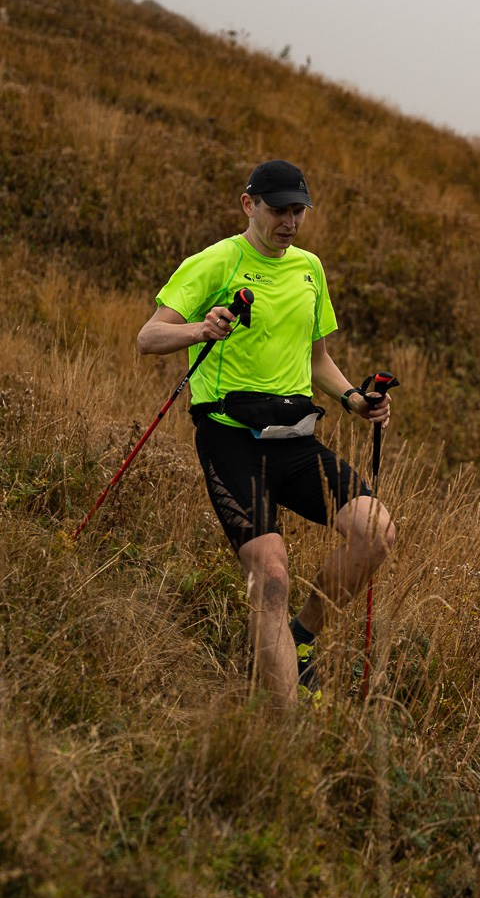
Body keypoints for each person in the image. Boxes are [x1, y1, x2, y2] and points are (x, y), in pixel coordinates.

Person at [137, 159, 395, 708]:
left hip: (296, 440)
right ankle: (289, 731)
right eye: (279, 209)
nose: (290, 221)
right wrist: (199, 328)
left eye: (298, 210)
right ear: (248, 205)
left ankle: (301, 638)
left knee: (376, 534)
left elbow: (317, 358)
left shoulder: (309, 269)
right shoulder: (215, 262)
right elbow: (148, 337)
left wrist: (354, 398)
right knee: (271, 575)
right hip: (230, 439)